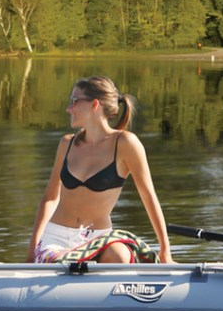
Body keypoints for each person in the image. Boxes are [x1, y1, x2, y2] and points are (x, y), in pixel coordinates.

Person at [27, 76, 173, 264]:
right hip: (57, 239)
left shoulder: (126, 143)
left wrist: (165, 251)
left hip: (100, 238)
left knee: (120, 255)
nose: (69, 108)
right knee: (62, 263)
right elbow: (50, 198)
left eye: (74, 101)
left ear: (94, 105)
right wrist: (32, 251)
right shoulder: (66, 144)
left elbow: (148, 196)